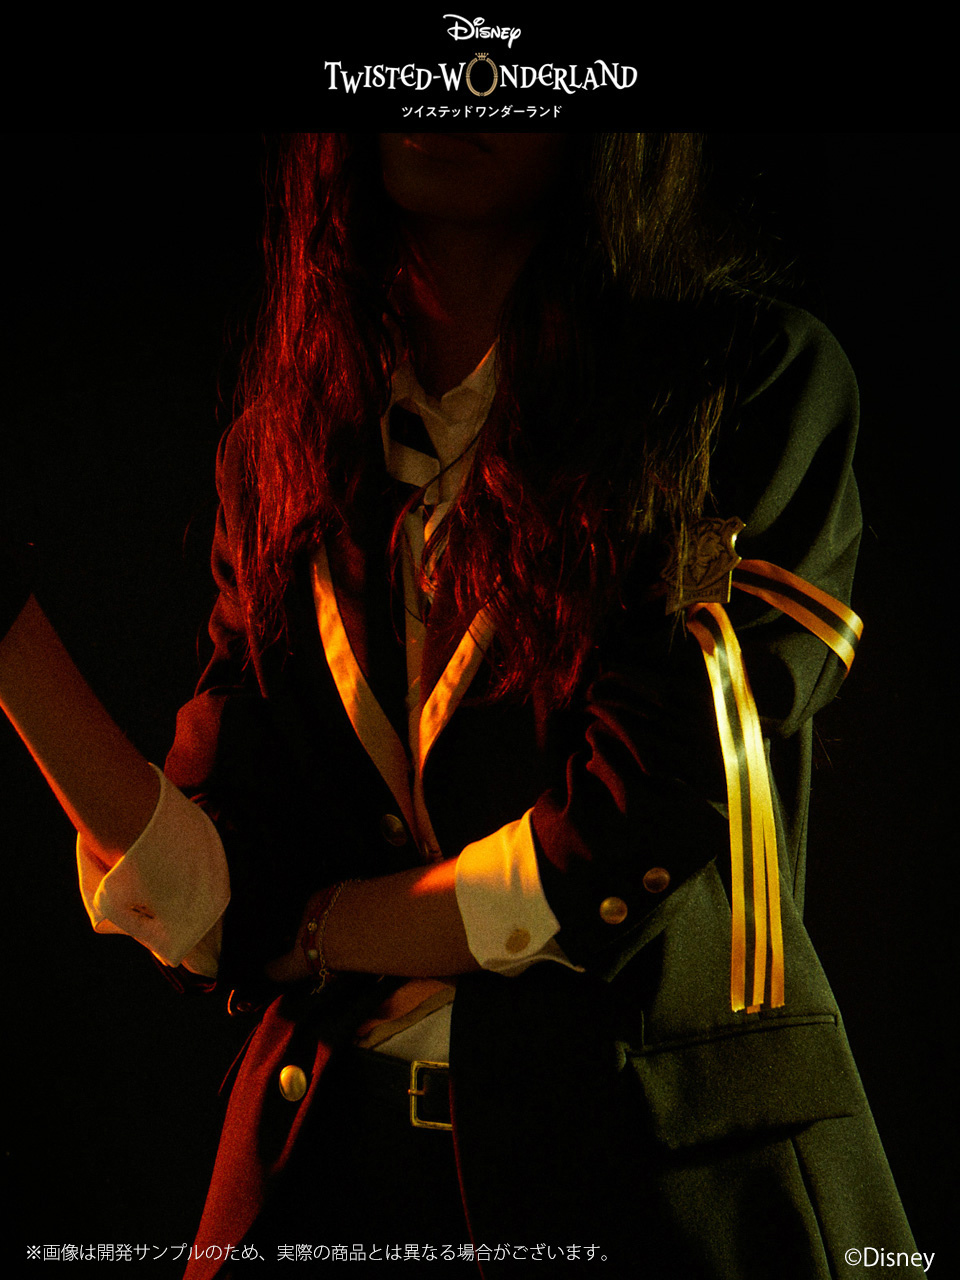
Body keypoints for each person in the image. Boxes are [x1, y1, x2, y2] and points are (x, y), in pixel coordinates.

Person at [0, 133, 922, 1277]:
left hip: (657, 1189)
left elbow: (635, 820)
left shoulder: (744, 381)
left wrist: (321, 926)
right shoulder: (286, 440)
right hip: (328, 1165)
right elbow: (214, 902)